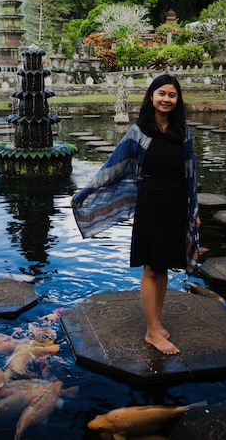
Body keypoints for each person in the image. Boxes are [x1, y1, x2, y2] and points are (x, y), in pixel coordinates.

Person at [71, 74, 200, 355]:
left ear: (177, 100)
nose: (166, 99)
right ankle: (152, 331)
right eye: (161, 93)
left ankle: (156, 323)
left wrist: (194, 209)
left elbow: (191, 173)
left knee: (164, 265)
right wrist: (87, 190)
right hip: (151, 202)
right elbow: (115, 165)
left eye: (172, 95)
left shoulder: (184, 132)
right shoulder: (139, 132)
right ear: (151, 96)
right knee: (151, 266)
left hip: (176, 202)